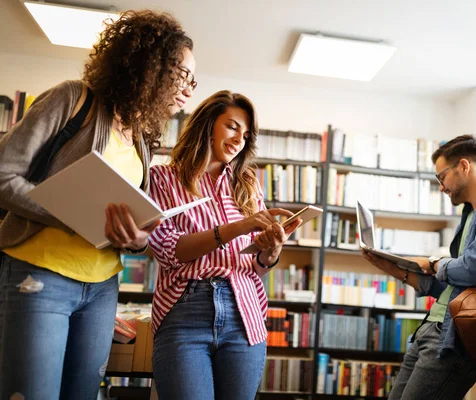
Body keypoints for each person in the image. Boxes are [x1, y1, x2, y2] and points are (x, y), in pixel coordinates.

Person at [0, 10, 195, 400]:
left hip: (103, 288)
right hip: (40, 278)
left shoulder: (141, 138)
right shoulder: (73, 98)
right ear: (150, 65)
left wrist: (137, 238)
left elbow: (126, 228)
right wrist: (74, 217)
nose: (190, 89)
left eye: (194, 80)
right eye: (182, 74)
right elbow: (4, 175)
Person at [148, 90, 300, 400]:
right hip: (186, 311)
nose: (238, 139)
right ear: (207, 124)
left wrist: (271, 251)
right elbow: (167, 250)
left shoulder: (247, 185)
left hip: (244, 316)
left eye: (245, 135)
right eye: (231, 126)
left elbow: (256, 266)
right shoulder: (162, 178)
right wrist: (239, 227)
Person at [362, 135, 476, 400]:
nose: (441, 187)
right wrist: (392, 267)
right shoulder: (470, 213)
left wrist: (434, 263)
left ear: (463, 166)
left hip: (457, 339)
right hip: (433, 329)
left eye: (441, 177)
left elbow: (474, 270)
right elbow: (452, 286)